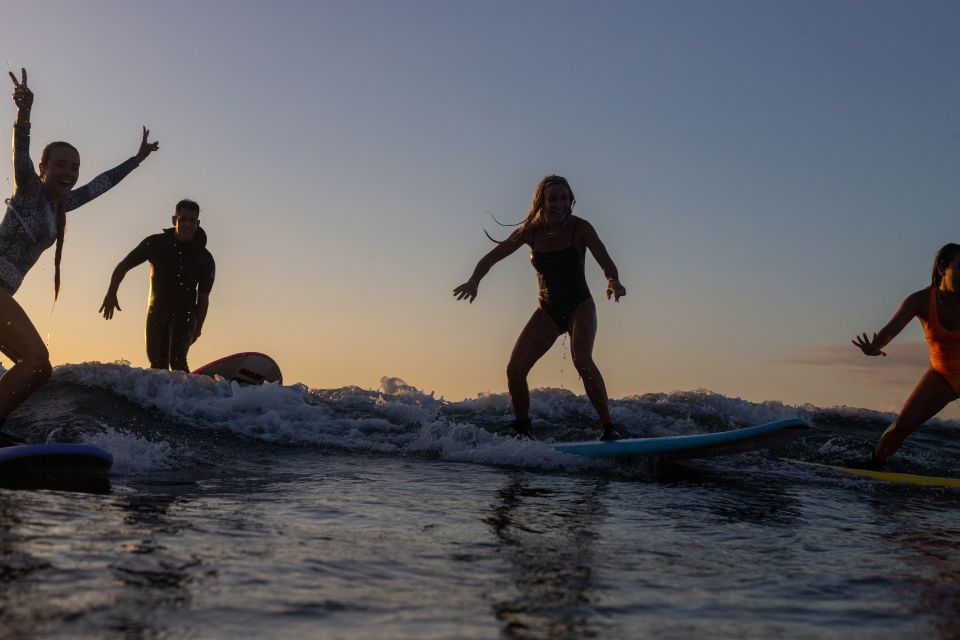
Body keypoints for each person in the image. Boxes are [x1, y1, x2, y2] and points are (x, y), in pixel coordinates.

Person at [0, 68, 158, 445]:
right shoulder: (28, 192)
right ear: (42, 169)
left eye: (74, 167)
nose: (69, 172)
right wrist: (24, 114)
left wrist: (136, 160)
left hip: (4, 293)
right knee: (37, 360)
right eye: (60, 164)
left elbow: (101, 184)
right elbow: (20, 150)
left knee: (40, 369)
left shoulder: (62, 207)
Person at [453, 175, 627, 441]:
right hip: (548, 309)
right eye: (553, 198)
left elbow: (605, 259)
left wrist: (613, 280)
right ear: (542, 202)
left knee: (581, 359)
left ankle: (609, 427)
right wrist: (474, 280)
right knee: (514, 369)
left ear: (571, 201)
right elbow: (491, 257)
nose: (559, 203)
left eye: (564, 198)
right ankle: (523, 429)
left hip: (580, 305)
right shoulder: (530, 232)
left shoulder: (580, 228)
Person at [853, 243, 960, 467]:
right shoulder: (920, 301)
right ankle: (874, 467)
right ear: (943, 268)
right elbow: (890, 331)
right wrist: (875, 347)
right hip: (943, 376)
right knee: (898, 429)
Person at [99, 200, 215, 372]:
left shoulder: (204, 258)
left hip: (186, 313)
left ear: (198, 224)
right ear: (174, 219)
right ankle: (163, 398)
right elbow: (124, 266)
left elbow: (203, 297)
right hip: (156, 311)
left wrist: (198, 327)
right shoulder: (155, 243)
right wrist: (111, 293)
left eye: (192, 220)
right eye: (183, 219)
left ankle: (187, 397)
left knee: (178, 361)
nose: (187, 224)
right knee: (156, 366)